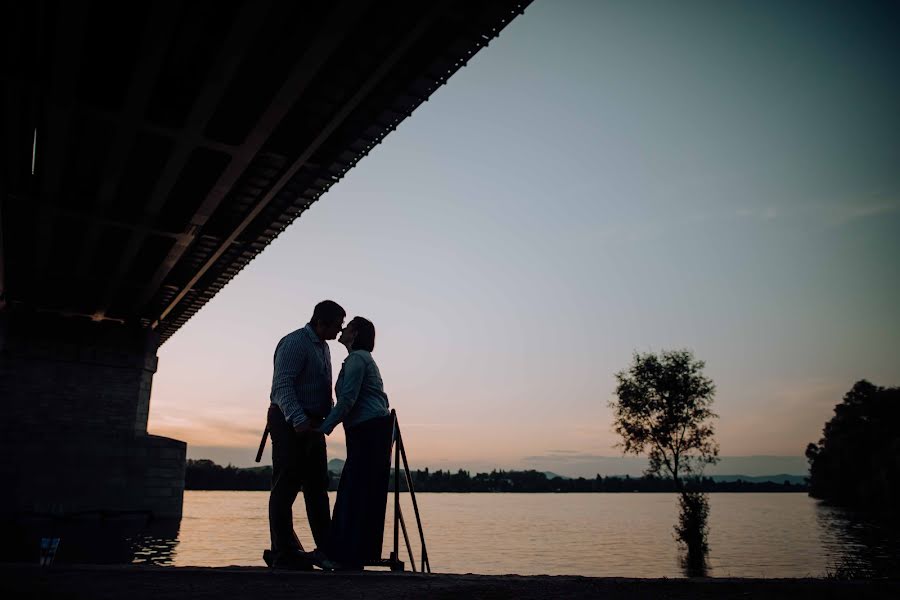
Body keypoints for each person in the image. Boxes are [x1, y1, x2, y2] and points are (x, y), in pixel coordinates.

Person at [266, 300, 345, 570]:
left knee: (316, 486)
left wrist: (328, 415)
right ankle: (283, 551)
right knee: (286, 485)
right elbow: (282, 385)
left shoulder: (323, 347)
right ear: (321, 322)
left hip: (313, 424)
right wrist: (298, 420)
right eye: (337, 325)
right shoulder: (295, 343)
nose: (340, 330)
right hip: (290, 423)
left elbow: (320, 387)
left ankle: (325, 548)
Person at [316, 316, 393, 570]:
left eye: (347, 327)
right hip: (368, 432)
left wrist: (321, 429)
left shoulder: (358, 359)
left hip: (369, 432)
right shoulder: (358, 360)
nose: (342, 328)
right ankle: (350, 553)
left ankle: (345, 554)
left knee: (353, 491)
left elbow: (347, 400)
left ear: (356, 333)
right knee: (357, 491)